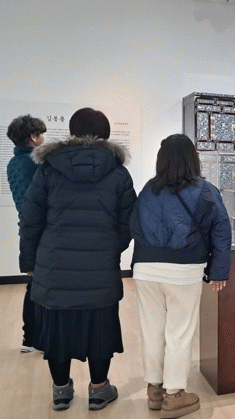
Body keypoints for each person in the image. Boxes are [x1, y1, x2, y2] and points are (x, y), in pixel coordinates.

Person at [19, 108, 136, 411]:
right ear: (105, 135)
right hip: (100, 268)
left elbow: (30, 220)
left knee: (57, 329)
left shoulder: (49, 169)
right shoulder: (118, 172)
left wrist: (29, 262)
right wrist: (110, 248)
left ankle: (61, 390)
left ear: (71, 133)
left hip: (54, 267)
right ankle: (99, 389)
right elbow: (128, 223)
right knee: (100, 328)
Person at [130, 134, 232, 418]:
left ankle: (154, 390)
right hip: (184, 270)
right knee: (179, 332)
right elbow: (221, 231)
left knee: (152, 330)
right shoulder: (206, 191)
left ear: (161, 159)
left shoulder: (148, 190)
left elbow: (134, 225)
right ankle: (174, 395)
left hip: (146, 268)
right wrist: (219, 271)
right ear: (193, 159)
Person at [6, 114, 46, 353]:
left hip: (27, 231)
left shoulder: (13, 163)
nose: (43, 139)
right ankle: (40, 339)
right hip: (43, 231)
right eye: (41, 135)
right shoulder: (35, 163)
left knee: (33, 285)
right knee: (43, 287)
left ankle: (29, 338)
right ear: (33, 137)